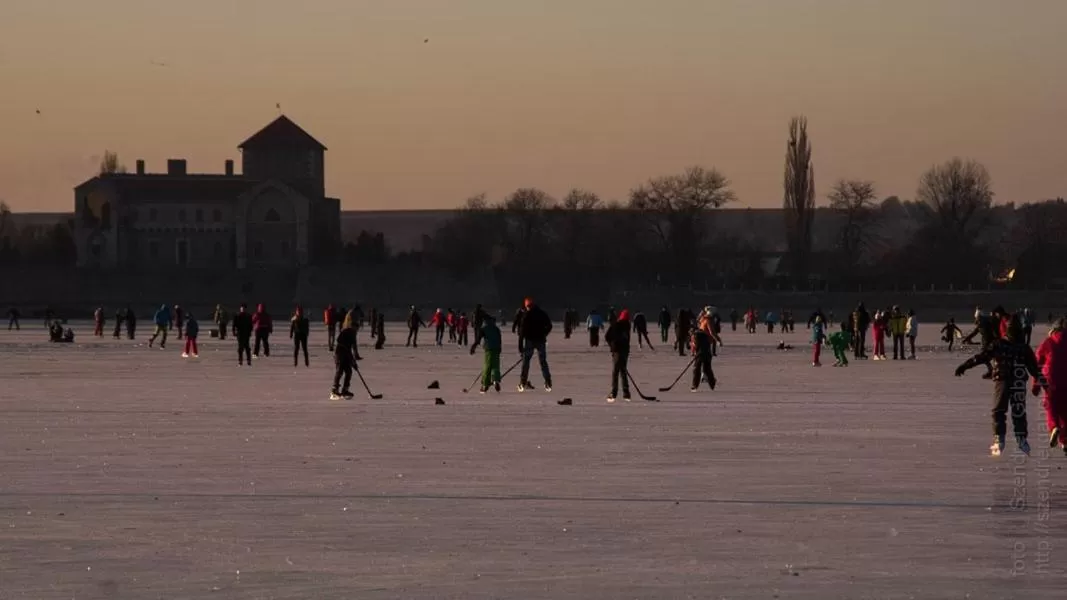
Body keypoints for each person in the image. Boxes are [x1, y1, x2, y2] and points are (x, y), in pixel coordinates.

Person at [956, 315, 1045, 457]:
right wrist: (1045, 385)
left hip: (1003, 381)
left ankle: (1002, 438)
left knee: (1000, 411)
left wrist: (965, 366)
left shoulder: (1000, 344)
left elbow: (982, 356)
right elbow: (1035, 369)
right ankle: (1019, 439)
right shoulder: (1022, 348)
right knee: (1017, 412)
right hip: (1017, 382)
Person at [1034, 318, 1067, 454]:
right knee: (1065, 411)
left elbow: (1037, 363)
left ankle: (1054, 427)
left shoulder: (1049, 342)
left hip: (1051, 380)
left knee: (1051, 407)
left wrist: (1036, 384)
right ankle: (1064, 442)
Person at [518, 297, 553, 392]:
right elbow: (549, 325)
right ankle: (548, 381)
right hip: (540, 340)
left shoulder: (526, 315)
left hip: (530, 340)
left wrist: (520, 346)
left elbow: (522, 332)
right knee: (543, 361)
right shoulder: (542, 313)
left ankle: (523, 382)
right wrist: (544, 334)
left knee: (526, 362)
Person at [604, 309, 632, 402]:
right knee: (623, 371)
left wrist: (612, 347)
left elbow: (607, 337)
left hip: (617, 352)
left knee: (615, 372)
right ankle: (626, 393)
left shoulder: (616, 325)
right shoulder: (627, 326)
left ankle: (614, 392)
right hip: (625, 352)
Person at [470, 315, 503, 393]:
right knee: (495, 366)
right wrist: (499, 348)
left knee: (487, 367)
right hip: (496, 349)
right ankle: (495, 380)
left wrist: (473, 347)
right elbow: (499, 339)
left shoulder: (484, 328)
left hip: (488, 349)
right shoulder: (496, 328)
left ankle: (485, 384)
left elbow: (478, 339)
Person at [330, 320, 360, 400]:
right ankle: (334, 390)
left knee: (349, 371)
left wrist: (353, 362)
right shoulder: (346, 332)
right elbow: (339, 341)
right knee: (339, 371)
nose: (356, 330)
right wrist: (352, 360)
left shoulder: (353, 334)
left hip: (346, 355)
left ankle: (345, 390)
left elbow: (352, 348)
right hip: (339, 354)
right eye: (356, 328)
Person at [690, 322, 717, 392]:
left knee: (696, 369)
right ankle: (712, 384)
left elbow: (695, 346)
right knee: (707, 369)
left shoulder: (695, 335)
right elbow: (709, 342)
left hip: (701, 354)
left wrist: (695, 353)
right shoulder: (704, 334)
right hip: (708, 353)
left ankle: (694, 385)